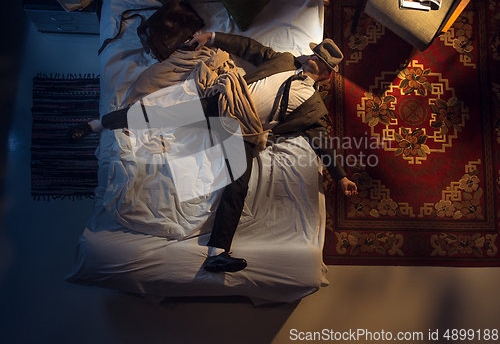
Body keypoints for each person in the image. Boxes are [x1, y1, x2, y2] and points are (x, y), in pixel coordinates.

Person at [68, 32, 358, 273]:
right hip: (226, 104)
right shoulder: (283, 59)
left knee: (239, 183)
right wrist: (213, 36)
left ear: (325, 73)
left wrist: (341, 177)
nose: (311, 58)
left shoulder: (314, 106)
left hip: (245, 130)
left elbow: (321, 140)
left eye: (318, 59)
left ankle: (217, 252)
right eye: (314, 54)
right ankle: (97, 124)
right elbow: (250, 48)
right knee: (164, 114)